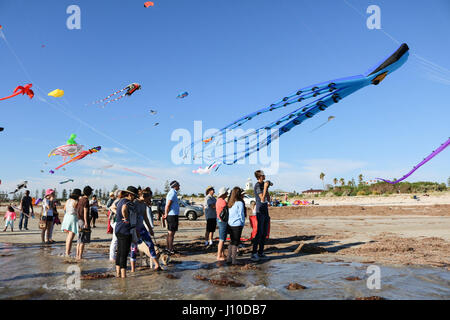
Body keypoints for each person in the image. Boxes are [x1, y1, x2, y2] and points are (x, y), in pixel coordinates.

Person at [130, 187, 161, 271]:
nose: (150, 201)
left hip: (142, 227)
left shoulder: (144, 204)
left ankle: (157, 265)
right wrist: (135, 230)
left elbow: (145, 217)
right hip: (134, 229)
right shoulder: (134, 203)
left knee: (150, 244)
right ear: (144, 196)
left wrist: (150, 229)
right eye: (149, 199)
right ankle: (133, 269)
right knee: (134, 248)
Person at [115, 186, 139, 278]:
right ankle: (123, 277)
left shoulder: (120, 201)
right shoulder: (127, 202)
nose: (134, 198)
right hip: (125, 230)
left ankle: (118, 274)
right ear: (130, 195)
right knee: (124, 254)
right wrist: (126, 218)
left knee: (120, 252)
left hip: (118, 229)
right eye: (134, 196)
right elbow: (124, 208)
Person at [251, 170, 271, 262]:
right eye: (263, 175)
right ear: (259, 177)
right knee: (259, 232)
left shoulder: (263, 184)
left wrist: (267, 188)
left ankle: (261, 252)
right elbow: (262, 198)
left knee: (264, 233)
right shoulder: (257, 185)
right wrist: (265, 187)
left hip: (265, 210)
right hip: (260, 210)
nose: (265, 176)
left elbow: (268, 199)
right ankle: (254, 253)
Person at [226, 187, 246, 265]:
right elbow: (241, 214)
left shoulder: (230, 202)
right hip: (237, 224)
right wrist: (243, 222)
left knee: (231, 241)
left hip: (230, 224)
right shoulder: (239, 203)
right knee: (235, 243)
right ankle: (234, 260)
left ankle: (228, 258)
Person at [61, 189, 81, 256]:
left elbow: (64, 209)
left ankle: (67, 251)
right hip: (73, 217)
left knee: (68, 236)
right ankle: (67, 252)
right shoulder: (75, 202)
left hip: (67, 217)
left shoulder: (68, 200)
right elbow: (78, 211)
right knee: (71, 236)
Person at [76, 186, 93, 260]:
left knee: (79, 239)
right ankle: (80, 256)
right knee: (83, 240)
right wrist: (86, 222)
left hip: (79, 220)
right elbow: (85, 212)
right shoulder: (86, 200)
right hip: (83, 221)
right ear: (90, 193)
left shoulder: (80, 199)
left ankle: (77, 255)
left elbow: (78, 209)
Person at [164, 180, 180, 255]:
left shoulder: (173, 193)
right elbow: (168, 205)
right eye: (178, 185)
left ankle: (169, 247)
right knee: (171, 233)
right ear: (175, 186)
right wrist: (166, 214)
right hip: (172, 215)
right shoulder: (172, 193)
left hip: (172, 215)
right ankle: (170, 249)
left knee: (170, 233)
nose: (179, 187)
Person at [108, 190, 123, 262]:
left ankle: (114, 256)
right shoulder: (118, 201)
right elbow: (111, 207)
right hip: (116, 222)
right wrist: (119, 213)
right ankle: (112, 257)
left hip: (116, 222)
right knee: (115, 239)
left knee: (116, 240)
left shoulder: (119, 200)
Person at [215, 187, 229, 261]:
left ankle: (222, 254)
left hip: (219, 220)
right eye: (226, 192)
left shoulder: (218, 201)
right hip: (223, 221)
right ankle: (218, 256)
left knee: (222, 238)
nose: (227, 194)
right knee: (222, 239)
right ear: (224, 194)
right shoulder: (223, 202)